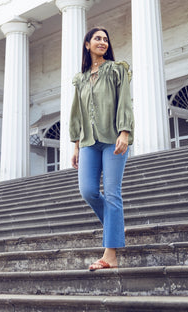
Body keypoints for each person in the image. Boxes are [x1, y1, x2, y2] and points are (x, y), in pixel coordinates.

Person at [69, 26, 134, 271]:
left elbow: (125, 102)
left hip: (113, 139)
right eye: (97, 38)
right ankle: (114, 225)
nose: (102, 42)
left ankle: (110, 256)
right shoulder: (81, 78)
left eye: (106, 39)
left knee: (112, 192)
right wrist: (76, 146)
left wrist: (124, 132)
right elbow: (77, 113)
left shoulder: (117, 70)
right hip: (87, 142)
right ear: (87, 44)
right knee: (87, 191)